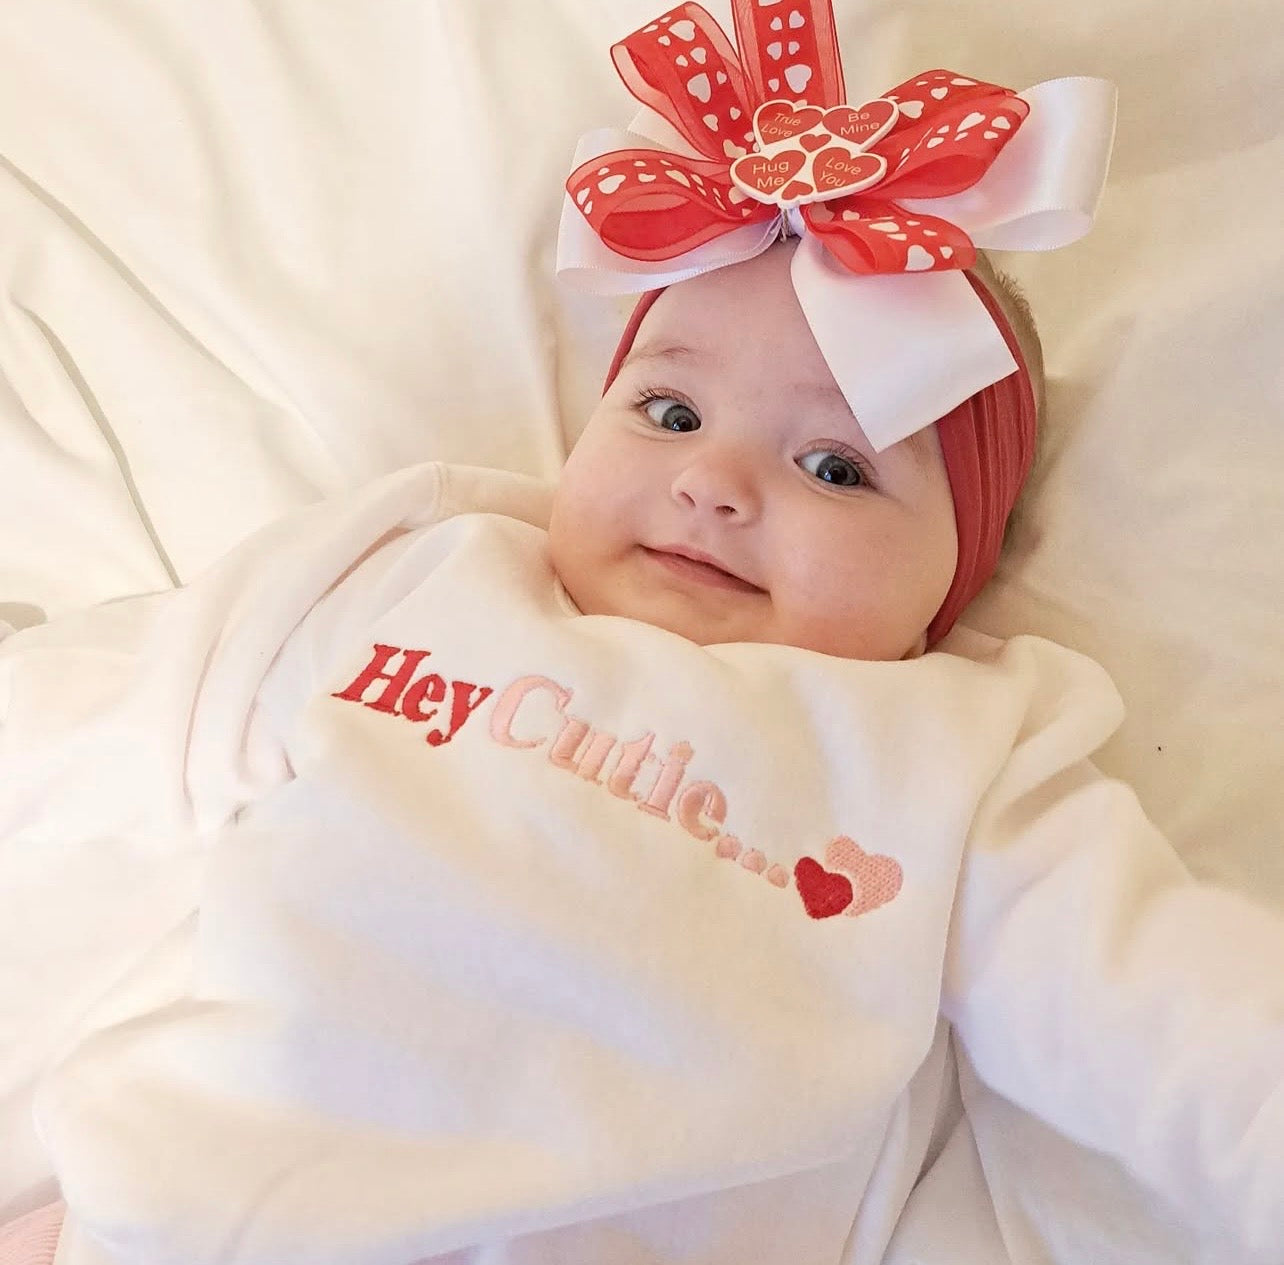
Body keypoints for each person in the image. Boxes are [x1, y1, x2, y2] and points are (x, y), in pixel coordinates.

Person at [0, 231, 1282, 1265]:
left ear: (960, 571)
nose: (714, 481)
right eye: (668, 408)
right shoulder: (436, 571)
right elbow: (133, 694)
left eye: (836, 466)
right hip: (183, 1199)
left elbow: (1162, 1007)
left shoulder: (951, 747)